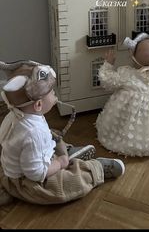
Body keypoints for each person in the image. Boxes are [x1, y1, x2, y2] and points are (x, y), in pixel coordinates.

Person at [0, 60, 125, 206]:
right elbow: (36, 174)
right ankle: (93, 169)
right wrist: (59, 163)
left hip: (30, 158)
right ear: (38, 104)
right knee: (61, 188)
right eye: (52, 92)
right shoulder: (33, 132)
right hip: (28, 179)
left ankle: (64, 151)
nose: (55, 94)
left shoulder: (16, 115)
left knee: (52, 136)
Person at [96, 34, 149, 157]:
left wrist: (108, 64)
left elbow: (107, 80)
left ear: (133, 57)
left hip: (128, 113)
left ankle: (124, 141)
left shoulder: (126, 73)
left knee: (123, 123)